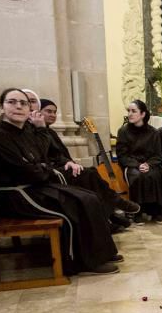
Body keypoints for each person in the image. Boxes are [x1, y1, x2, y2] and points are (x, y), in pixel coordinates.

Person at [0, 88, 120, 275]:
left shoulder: (22, 131)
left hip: (34, 186)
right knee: (77, 204)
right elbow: (28, 171)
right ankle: (85, 262)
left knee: (90, 197)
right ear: (2, 107)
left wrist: (41, 165)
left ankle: (102, 253)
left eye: (23, 103)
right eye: (12, 102)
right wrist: (41, 169)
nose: (18, 106)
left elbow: (41, 158)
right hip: (18, 195)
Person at [31, 97, 140, 230]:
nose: (53, 115)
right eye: (48, 111)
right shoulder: (36, 132)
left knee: (91, 174)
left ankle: (109, 216)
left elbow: (60, 155)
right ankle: (114, 206)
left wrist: (71, 162)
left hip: (62, 169)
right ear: (37, 112)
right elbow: (42, 156)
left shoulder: (50, 132)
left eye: (54, 112)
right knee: (89, 177)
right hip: (51, 174)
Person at [116, 100, 162, 223]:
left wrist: (148, 165)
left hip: (150, 164)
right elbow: (122, 155)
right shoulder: (123, 131)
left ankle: (155, 211)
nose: (130, 114)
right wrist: (138, 165)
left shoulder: (154, 132)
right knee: (137, 176)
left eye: (134, 111)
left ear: (143, 114)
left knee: (154, 175)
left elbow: (158, 155)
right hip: (131, 164)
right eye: (128, 111)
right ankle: (137, 211)